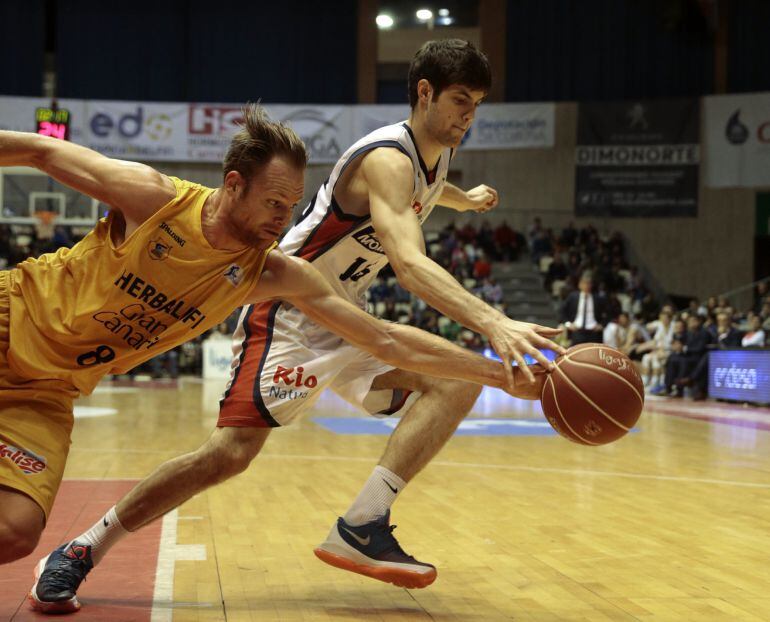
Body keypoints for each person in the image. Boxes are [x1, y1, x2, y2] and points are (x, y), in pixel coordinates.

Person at [28, 39, 563, 613]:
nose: (469, 116)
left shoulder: (431, 161)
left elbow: (427, 192)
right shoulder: (389, 159)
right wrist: (495, 322)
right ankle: (84, 548)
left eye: (478, 104)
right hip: (288, 308)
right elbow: (407, 264)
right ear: (424, 92)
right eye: (461, 100)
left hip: (343, 309)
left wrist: (464, 199)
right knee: (228, 455)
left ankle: (363, 523)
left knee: (455, 381)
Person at [560, 272, 608, 345]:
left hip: (593, 331)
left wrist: (602, 325)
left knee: (592, 353)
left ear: (591, 285)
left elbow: (608, 312)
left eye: (589, 283)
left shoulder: (598, 298)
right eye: (584, 283)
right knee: (576, 353)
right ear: (580, 285)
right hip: (577, 330)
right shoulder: (573, 297)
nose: (587, 286)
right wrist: (568, 324)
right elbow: (562, 311)